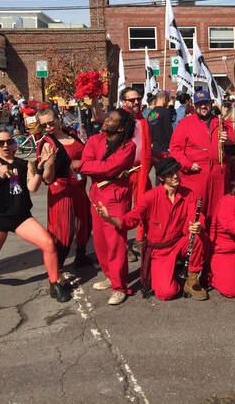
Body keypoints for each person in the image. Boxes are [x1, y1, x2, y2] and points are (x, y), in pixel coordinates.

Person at [0, 128, 71, 303]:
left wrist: (40, 169)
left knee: (48, 243)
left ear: (15, 143)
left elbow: (32, 187)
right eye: (1, 143)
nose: (6, 145)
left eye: (9, 141)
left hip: (21, 217)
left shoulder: (24, 164)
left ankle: (54, 284)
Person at [95, 157, 208, 301]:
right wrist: (110, 218)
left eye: (175, 172)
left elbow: (197, 216)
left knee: (198, 238)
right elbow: (131, 219)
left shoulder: (188, 194)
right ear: (161, 177)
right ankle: (170, 275)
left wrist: (197, 224)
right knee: (166, 293)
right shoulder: (149, 197)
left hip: (179, 243)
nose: (175, 176)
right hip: (159, 251)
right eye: (169, 174)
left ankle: (192, 279)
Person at [78, 109, 136, 305]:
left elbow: (109, 167)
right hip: (96, 195)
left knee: (116, 243)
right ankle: (110, 276)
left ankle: (120, 287)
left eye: (111, 119)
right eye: (108, 117)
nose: (106, 120)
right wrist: (102, 169)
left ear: (120, 127)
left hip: (116, 199)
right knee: (101, 242)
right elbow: (86, 164)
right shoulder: (95, 140)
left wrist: (99, 168)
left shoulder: (128, 146)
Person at [36, 108, 93, 268]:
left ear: (58, 119)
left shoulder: (71, 133)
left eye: (51, 122)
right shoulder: (47, 143)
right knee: (63, 232)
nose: (48, 127)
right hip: (61, 190)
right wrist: (50, 163)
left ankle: (80, 257)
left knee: (85, 225)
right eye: (44, 125)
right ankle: (57, 269)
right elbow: (47, 179)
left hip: (79, 187)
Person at [169, 90, 229, 220]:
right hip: (196, 176)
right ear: (194, 106)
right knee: (195, 214)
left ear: (211, 104)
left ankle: (213, 240)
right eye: (199, 103)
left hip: (218, 177)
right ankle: (196, 241)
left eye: (206, 103)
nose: (203, 106)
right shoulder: (185, 123)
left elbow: (230, 150)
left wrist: (227, 141)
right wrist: (188, 165)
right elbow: (175, 149)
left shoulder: (219, 122)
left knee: (217, 214)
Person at [118, 87, 153, 259]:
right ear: (123, 102)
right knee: (122, 209)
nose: (137, 102)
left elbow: (146, 146)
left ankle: (139, 240)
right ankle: (123, 243)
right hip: (124, 172)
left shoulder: (143, 121)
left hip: (142, 170)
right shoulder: (118, 119)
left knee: (144, 205)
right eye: (132, 100)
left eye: (138, 99)